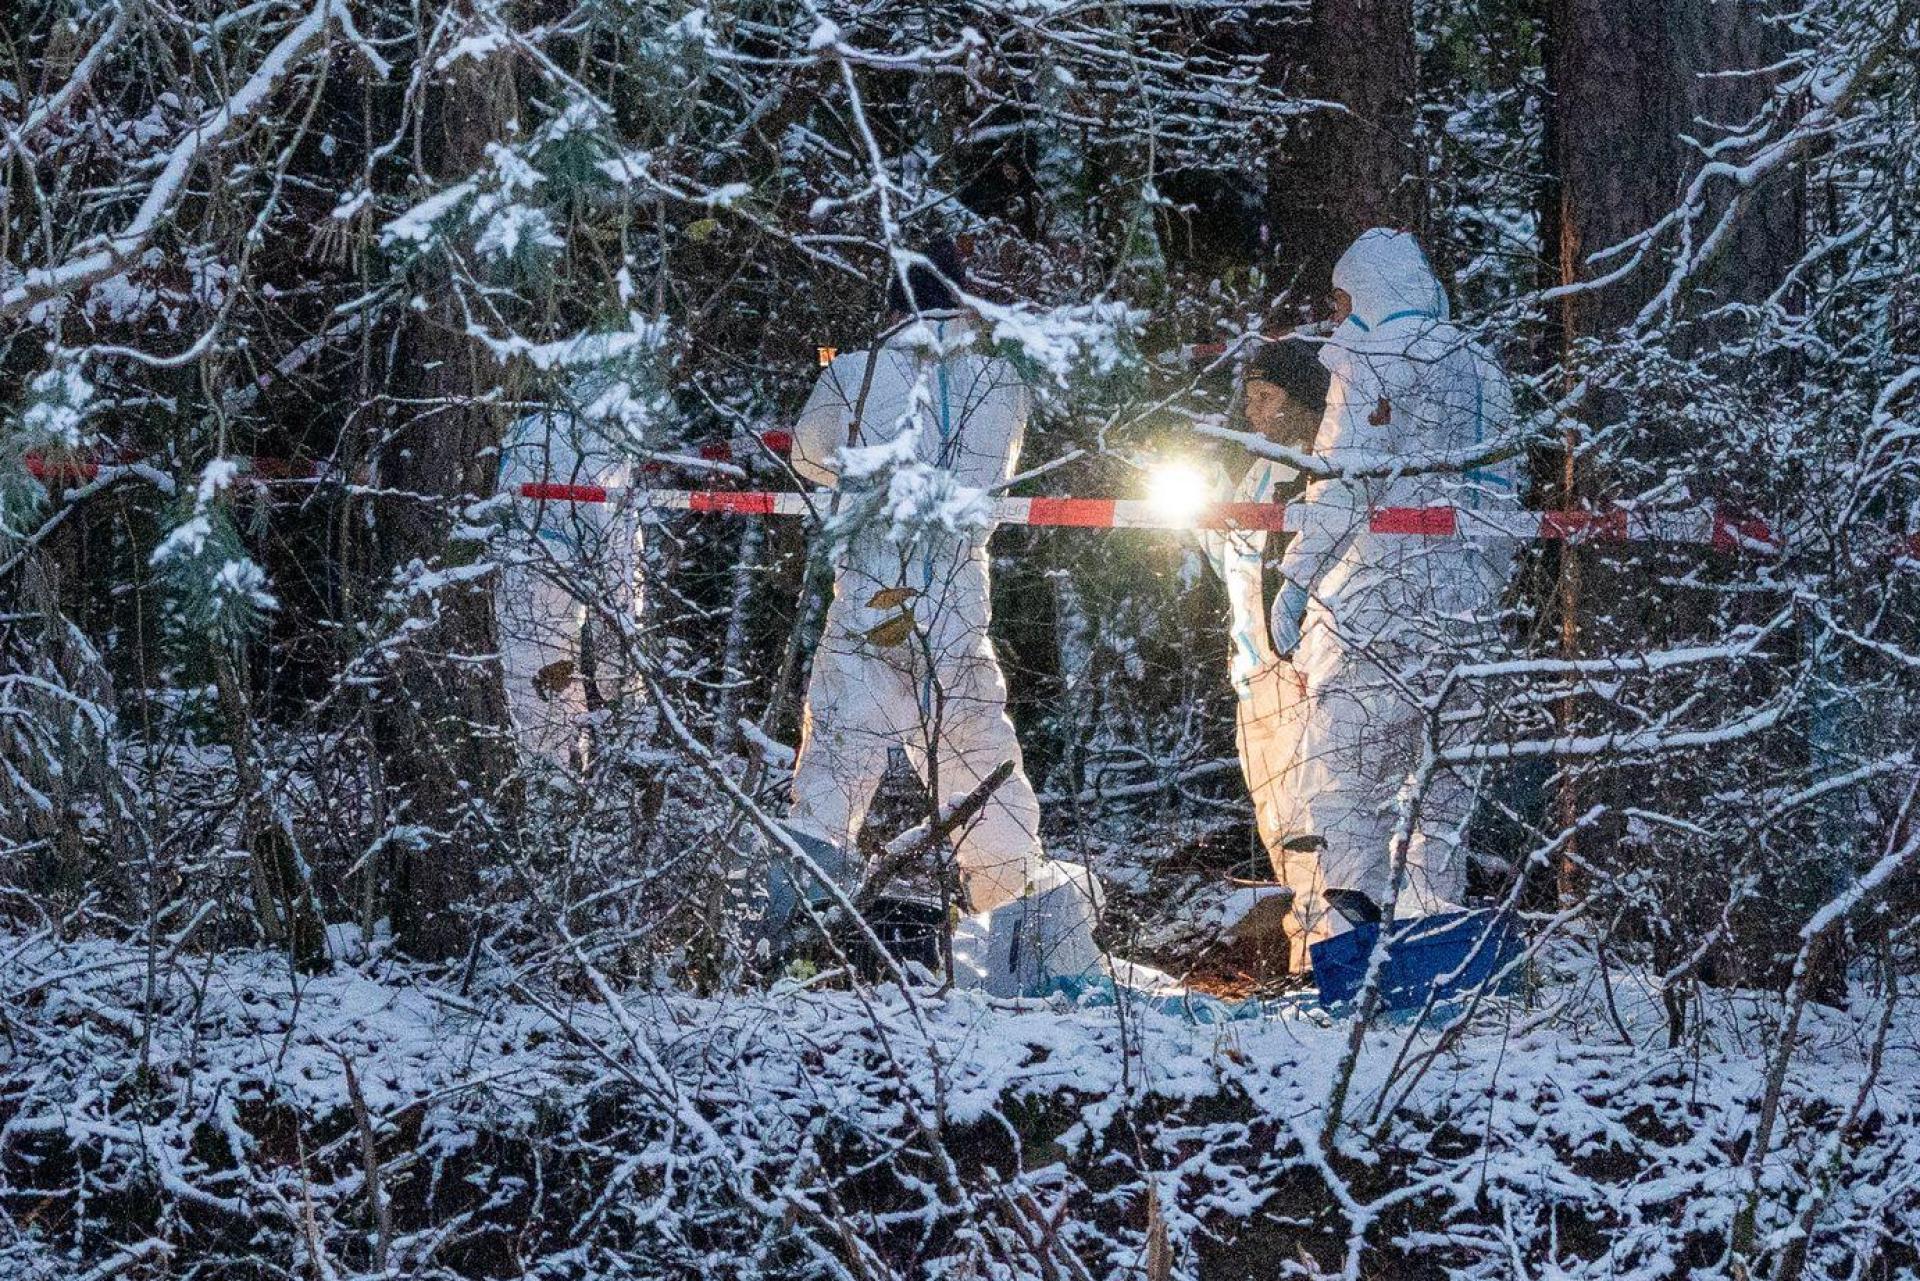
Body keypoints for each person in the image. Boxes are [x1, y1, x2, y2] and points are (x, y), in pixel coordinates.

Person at [1266, 229, 1521, 964]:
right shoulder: (1482, 368)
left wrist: (1298, 579)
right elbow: (1505, 502)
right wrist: (1479, 585)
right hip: (1469, 618)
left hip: (1378, 607)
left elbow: (1344, 486)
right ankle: (1433, 960)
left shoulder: (1372, 359)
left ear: (1370, 290)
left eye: (1345, 299)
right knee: (1439, 800)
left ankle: (1349, 956)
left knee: (1343, 778)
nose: (1339, 317)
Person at [785, 243, 1045, 919]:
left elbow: (808, 453)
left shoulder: (855, 372)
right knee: (977, 753)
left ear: (892, 304)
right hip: (958, 594)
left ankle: (796, 925)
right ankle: (1018, 920)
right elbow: (998, 469)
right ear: (962, 302)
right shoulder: (1001, 382)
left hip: (874, 586)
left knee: (838, 759)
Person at [1202, 339, 1329, 906]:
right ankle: (1306, 945)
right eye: (1249, 397)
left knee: (1315, 816)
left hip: (1301, 671)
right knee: (1276, 816)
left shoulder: (1324, 470)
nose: (1254, 411)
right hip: (1252, 667)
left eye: (1267, 396)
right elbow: (1226, 557)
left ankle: (1325, 953)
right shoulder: (1255, 469)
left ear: (1301, 401)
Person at [495, 403, 642, 769]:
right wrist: (618, 679)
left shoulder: (526, 429)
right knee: (554, 700)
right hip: (558, 582)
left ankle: (533, 784)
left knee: (526, 692)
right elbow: (618, 559)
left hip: (509, 565)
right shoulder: (608, 448)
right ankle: (559, 787)